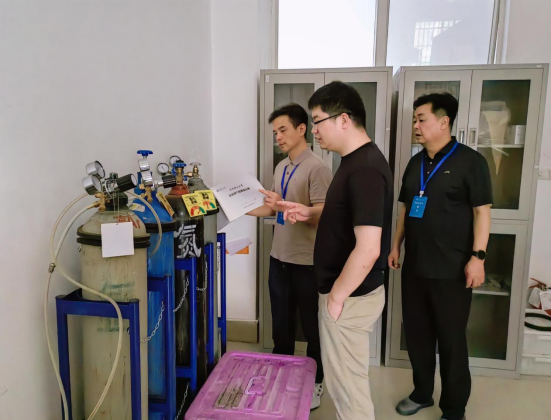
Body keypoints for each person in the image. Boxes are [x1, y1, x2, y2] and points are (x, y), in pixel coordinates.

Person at [278, 82, 393, 420]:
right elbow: (348, 215)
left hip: (349, 296)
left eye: (317, 121)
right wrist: (309, 212)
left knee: (348, 391)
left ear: (343, 119)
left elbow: (368, 249)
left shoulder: (366, 169)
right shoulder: (354, 161)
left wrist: (336, 298)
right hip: (345, 292)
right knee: (346, 384)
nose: (313, 131)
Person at [389, 93, 492, 420]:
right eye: (415, 120)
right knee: (417, 336)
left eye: (422, 119)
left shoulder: (471, 162)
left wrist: (478, 257)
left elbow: (482, 213)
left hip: (452, 270)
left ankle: (454, 408)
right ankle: (422, 393)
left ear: (444, 121)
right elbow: (405, 209)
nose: (416, 126)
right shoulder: (415, 163)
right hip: (415, 268)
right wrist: (396, 245)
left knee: (451, 341)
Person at [247, 103, 332, 409]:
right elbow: (273, 208)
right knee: (281, 325)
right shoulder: (282, 166)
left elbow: (323, 213)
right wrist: (237, 207)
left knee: (311, 327)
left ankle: (316, 382)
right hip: (279, 258)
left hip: (307, 262)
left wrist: (295, 209)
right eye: (275, 133)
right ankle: (280, 375)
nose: (278, 137)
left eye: (283, 130)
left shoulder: (317, 168)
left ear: (301, 129)